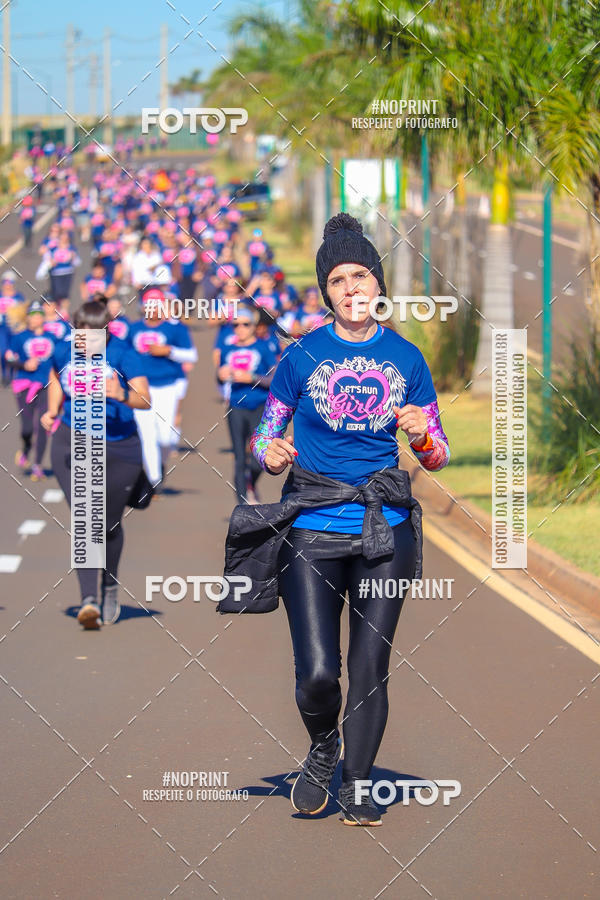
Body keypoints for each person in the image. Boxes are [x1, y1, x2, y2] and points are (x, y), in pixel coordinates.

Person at [243, 213, 451, 826]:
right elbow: (263, 437)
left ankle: (358, 782)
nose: (352, 287)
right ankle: (322, 747)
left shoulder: (407, 359)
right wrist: (271, 452)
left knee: (368, 666)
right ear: (326, 291)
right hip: (312, 528)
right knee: (316, 673)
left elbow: (436, 453)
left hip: (384, 531)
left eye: (362, 274)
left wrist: (423, 437)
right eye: (338, 279)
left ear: (378, 285)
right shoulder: (301, 355)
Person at [41, 300, 150, 628]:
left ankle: (109, 585)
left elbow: (144, 399)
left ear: (106, 332)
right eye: (80, 334)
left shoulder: (124, 354)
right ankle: (89, 599)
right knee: (86, 518)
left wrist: (120, 394)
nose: (85, 342)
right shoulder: (64, 351)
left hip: (119, 446)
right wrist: (52, 409)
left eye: (93, 336)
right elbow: (55, 375)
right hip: (72, 440)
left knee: (109, 524)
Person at [129, 287, 198, 490]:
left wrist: (168, 350)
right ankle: (154, 481)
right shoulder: (133, 329)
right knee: (147, 434)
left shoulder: (175, 329)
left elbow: (191, 356)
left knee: (165, 438)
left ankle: (159, 464)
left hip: (166, 387)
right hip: (141, 389)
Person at [217, 304, 276, 503]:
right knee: (239, 458)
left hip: (259, 405)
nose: (240, 328)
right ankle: (243, 503)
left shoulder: (263, 347)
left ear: (253, 326)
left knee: (260, 456)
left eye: (245, 324)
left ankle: (251, 481)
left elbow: (273, 379)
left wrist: (251, 377)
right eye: (236, 325)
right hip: (235, 406)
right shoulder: (228, 349)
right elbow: (220, 377)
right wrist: (220, 375)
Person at [5, 300, 57, 480]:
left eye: (38, 315)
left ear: (43, 318)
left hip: (45, 386)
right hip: (24, 386)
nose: (35, 319)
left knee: (42, 425)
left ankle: (38, 465)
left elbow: (62, 357)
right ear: (27, 318)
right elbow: (9, 359)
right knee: (27, 428)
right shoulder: (20, 337)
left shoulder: (52, 337)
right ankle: (26, 448)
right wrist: (24, 364)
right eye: (32, 316)